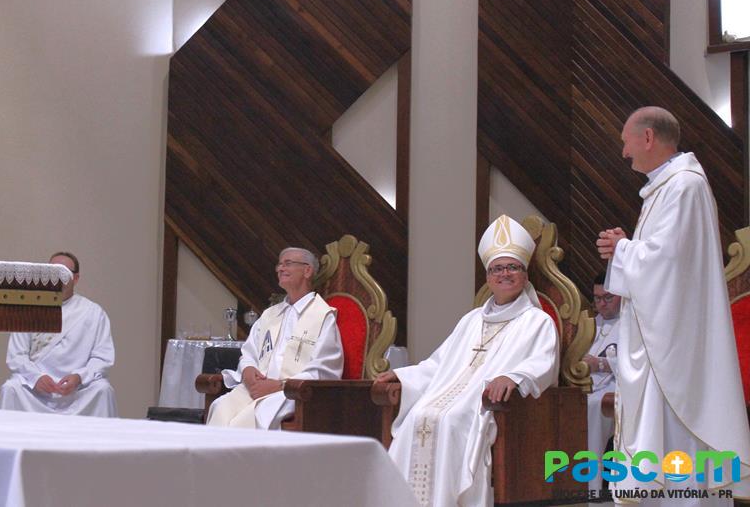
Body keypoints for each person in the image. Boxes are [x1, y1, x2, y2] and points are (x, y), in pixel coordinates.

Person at [596, 106, 750, 503]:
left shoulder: (684, 187)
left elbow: (668, 265)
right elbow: (660, 257)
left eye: (626, 142)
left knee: (676, 449)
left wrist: (623, 249)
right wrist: (625, 248)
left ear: (648, 138)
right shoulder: (665, 188)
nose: (624, 152)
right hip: (659, 335)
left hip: (673, 348)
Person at [376, 214, 558, 507]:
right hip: (449, 398)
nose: (505, 274)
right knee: (416, 417)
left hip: (485, 404)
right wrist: (403, 376)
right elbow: (438, 364)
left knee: (450, 420)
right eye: (497, 268)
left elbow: (543, 363)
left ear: (525, 276)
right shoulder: (471, 320)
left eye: (513, 267)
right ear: (488, 278)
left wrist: (513, 377)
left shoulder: (537, 321)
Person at [205, 246, 343, 429]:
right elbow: (249, 352)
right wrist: (247, 369)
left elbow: (325, 370)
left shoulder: (322, 316)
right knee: (220, 408)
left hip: (292, 393)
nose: (280, 268)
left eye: (288, 263)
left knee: (251, 418)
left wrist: (279, 385)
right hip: (256, 387)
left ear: (307, 271)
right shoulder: (270, 314)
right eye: (279, 264)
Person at [0, 251, 117, 416]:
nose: (57, 278)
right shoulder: (28, 309)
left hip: (78, 391)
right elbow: (17, 356)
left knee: (103, 390)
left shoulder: (93, 312)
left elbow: (102, 357)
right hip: (37, 391)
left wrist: (79, 377)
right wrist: (36, 377)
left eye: (63, 273)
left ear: (76, 278)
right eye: (53, 272)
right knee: (11, 388)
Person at [581, 275, 620, 490]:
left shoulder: (635, 323)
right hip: (587, 385)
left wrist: (602, 364)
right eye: (597, 299)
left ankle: (592, 488)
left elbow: (641, 364)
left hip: (619, 386)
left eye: (608, 297)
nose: (602, 304)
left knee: (594, 405)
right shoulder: (588, 324)